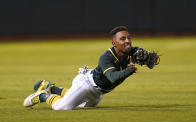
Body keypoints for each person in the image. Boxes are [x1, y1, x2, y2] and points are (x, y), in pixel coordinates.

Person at [24, 26, 158, 110]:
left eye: (129, 38)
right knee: (62, 107)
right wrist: (129, 71)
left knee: (83, 105)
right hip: (86, 84)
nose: (127, 41)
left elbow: (153, 61)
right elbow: (112, 78)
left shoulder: (133, 52)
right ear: (114, 43)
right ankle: (42, 96)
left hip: (98, 92)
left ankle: (52, 88)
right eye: (122, 39)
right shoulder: (106, 56)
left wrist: (152, 60)